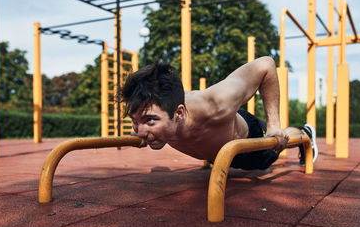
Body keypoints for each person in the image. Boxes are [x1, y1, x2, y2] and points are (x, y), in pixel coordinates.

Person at [121, 57, 317, 170]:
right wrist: (143, 126)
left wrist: (274, 125)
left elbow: (266, 65)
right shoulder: (157, 113)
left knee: (278, 144)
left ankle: (305, 133)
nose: (140, 130)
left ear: (179, 113)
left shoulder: (216, 103)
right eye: (135, 121)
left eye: (150, 120)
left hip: (249, 144)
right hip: (217, 151)